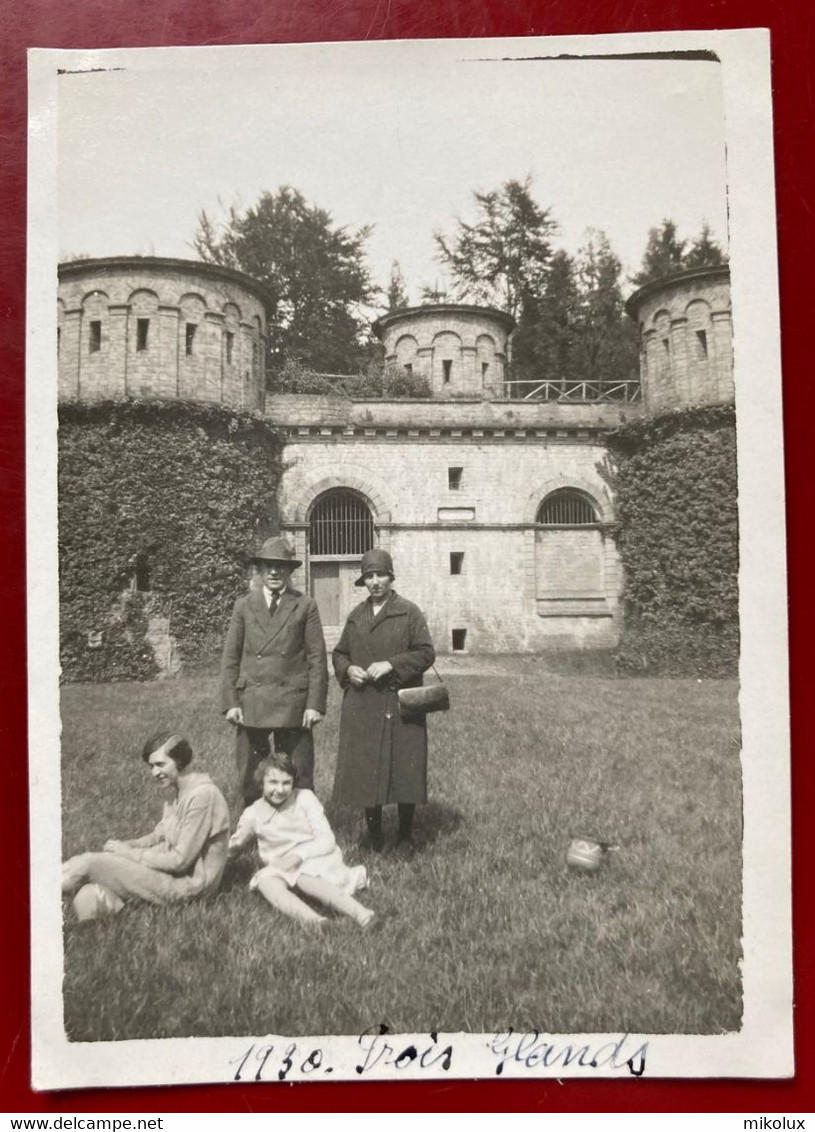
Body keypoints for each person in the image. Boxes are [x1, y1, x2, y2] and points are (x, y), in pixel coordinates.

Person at [61, 731, 230, 921]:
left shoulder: (203, 795)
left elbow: (180, 861)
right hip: (168, 872)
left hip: (191, 887)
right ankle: (105, 914)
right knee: (90, 891)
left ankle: (36, 894)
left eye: (160, 764)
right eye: (151, 766)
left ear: (180, 761)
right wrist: (127, 846)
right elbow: (158, 835)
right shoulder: (176, 790)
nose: (155, 773)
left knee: (90, 863)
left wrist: (129, 854)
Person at [332, 548, 435, 856]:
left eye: (380, 575)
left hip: (400, 704)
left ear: (391, 577)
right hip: (364, 704)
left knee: (406, 768)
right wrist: (348, 670)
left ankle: (405, 835)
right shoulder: (356, 615)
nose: (375, 582)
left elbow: (426, 653)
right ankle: (374, 833)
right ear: (363, 581)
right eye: (369, 577)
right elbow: (339, 653)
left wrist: (391, 664)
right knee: (367, 769)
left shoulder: (409, 612)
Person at [220, 535, 328, 804]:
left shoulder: (305, 605)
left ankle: (302, 830)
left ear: (290, 571)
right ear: (260, 570)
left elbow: (317, 659)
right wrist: (231, 702)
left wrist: (314, 705)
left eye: (281, 566)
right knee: (250, 774)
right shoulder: (243, 606)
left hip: (293, 702)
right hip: (252, 702)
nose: (274, 572)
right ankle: (251, 830)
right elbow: (231, 657)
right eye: (268, 566)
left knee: (300, 773)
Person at [228, 752, 375, 928]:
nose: (280, 789)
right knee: (265, 880)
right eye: (273, 783)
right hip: (281, 866)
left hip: (316, 859)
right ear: (261, 783)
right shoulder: (253, 814)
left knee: (304, 876)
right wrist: (214, 866)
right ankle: (316, 922)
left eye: (286, 783)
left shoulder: (305, 798)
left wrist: (297, 856)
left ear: (293, 782)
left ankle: (362, 914)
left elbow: (326, 839)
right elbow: (235, 846)